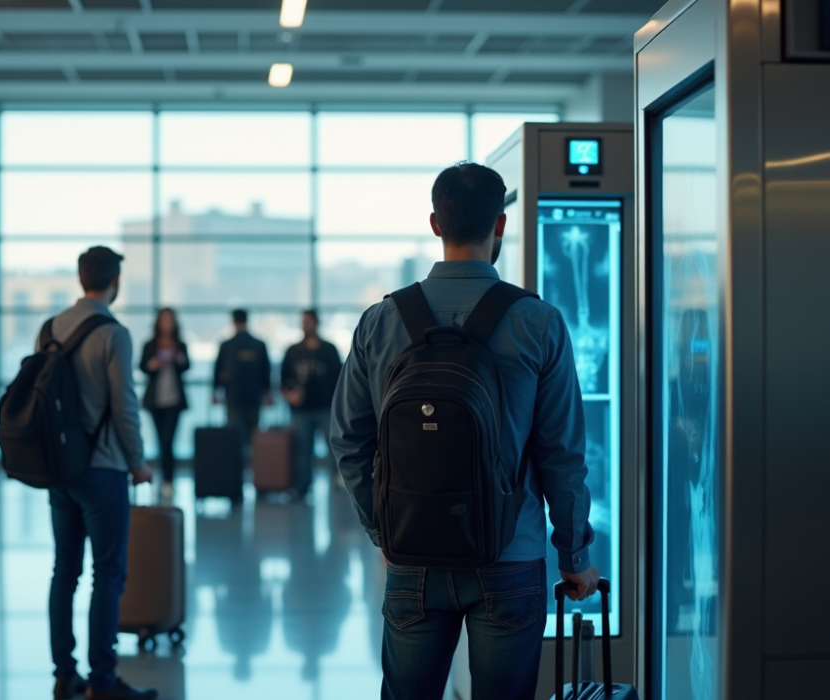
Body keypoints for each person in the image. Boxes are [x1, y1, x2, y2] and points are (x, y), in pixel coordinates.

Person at [329, 163, 600, 700]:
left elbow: (347, 441)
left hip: (413, 554)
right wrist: (575, 557)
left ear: (435, 223)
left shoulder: (381, 320)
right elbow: (562, 455)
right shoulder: (537, 322)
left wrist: (385, 530)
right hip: (510, 552)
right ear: (500, 225)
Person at [43, 246, 157, 700]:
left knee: (63, 571)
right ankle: (103, 681)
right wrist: (138, 462)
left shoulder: (49, 328)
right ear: (115, 281)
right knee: (107, 574)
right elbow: (123, 406)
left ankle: (63, 673)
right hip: (103, 468)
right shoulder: (114, 333)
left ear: (79, 277)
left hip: (59, 469)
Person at [281, 310, 342, 499]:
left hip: (326, 408)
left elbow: (340, 379)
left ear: (316, 323)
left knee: (334, 448)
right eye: (303, 322)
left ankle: (338, 481)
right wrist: (290, 396)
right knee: (303, 451)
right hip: (301, 411)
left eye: (308, 321)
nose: (305, 325)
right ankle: (302, 487)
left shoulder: (329, 350)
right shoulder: (293, 351)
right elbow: (283, 380)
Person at [139, 308, 190, 501]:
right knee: (161, 441)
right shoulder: (150, 345)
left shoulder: (180, 345)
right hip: (155, 400)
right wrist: (152, 365)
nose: (167, 324)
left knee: (169, 441)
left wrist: (179, 360)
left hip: (174, 401)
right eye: (164, 320)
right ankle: (162, 478)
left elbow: (187, 367)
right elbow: (142, 367)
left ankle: (169, 480)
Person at [213, 309, 272, 440]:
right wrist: (268, 393)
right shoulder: (259, 345)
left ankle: (236, 461)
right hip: (254, 398)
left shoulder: (227, 346)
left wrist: (215, 392)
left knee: (234, 437)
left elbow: (217, 371)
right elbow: (266, 372)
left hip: (233, 398)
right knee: (254, 438)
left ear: (233, 321)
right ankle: (253, 461)